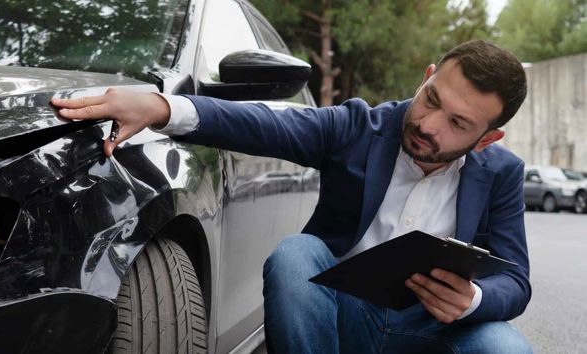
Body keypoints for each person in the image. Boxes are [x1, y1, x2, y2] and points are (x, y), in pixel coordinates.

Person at [51, 40, 532, 353]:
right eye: (431, 99)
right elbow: (266, 123)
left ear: (488, 138)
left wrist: (472, 300)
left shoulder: (502, 174)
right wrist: (160, 106)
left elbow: (515, 280)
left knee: (506, 348)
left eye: (458, 124)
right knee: (297, 254)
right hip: (342, 319)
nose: (428, 124)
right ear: (426, 76)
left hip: (429, 331)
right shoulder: (360, 127)